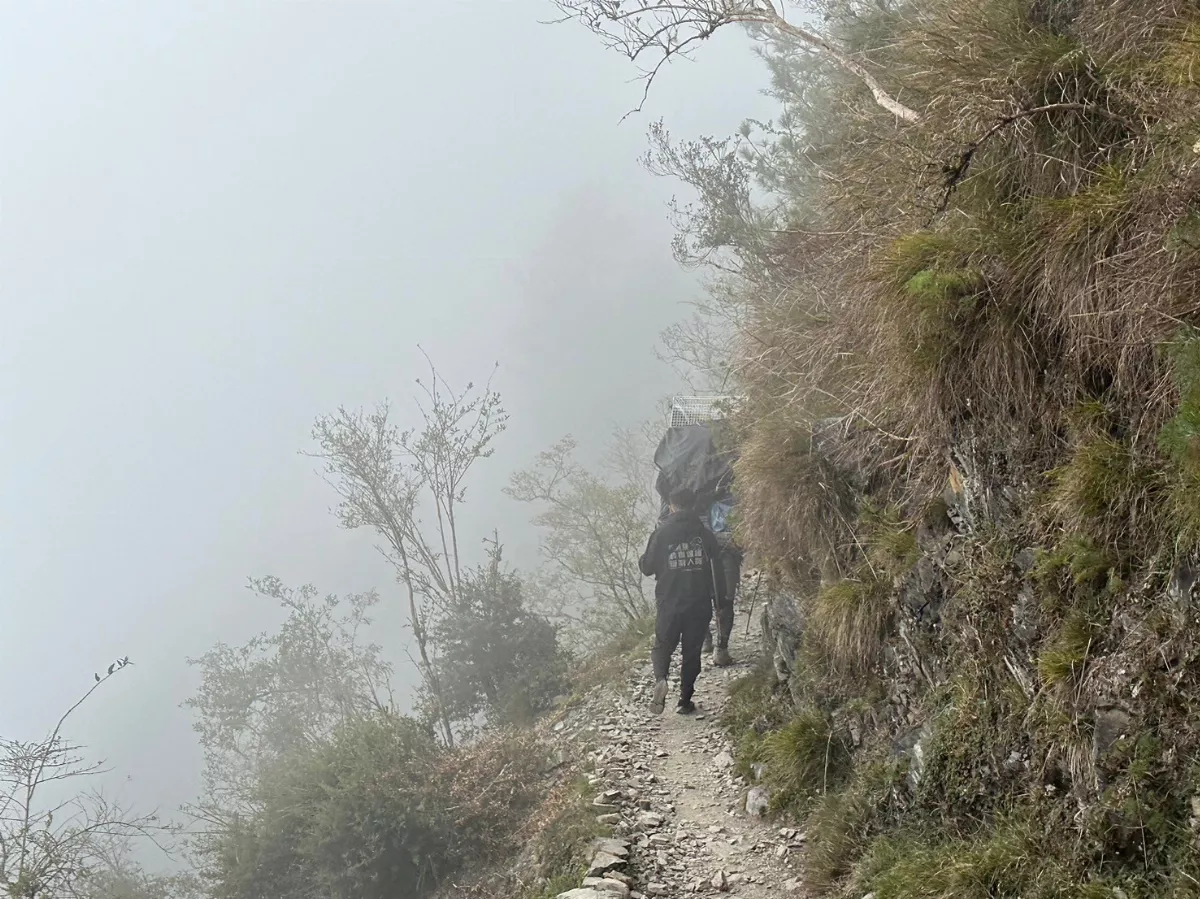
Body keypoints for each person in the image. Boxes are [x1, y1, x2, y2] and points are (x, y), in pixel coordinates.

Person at [639, 486, 727, 715]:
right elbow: (718, 570)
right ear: (694, 505)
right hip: (699, 604)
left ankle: (661, 679)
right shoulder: (705, 534)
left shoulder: (662, 533)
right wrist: (720, 602)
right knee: (692, 652)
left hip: (669, 603)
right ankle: (684, 701)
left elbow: (647, 567)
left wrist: (644, 558)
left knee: (662, 646)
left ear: (672, 506)